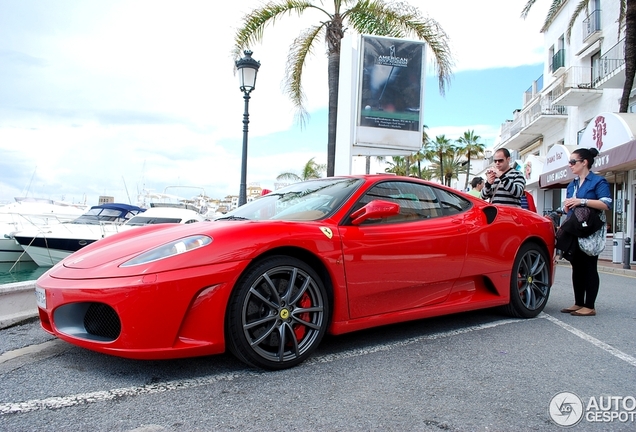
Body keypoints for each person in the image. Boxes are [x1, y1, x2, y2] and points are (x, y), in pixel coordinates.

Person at [560, 147, 612, 317]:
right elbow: (569, 208)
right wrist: (567, 206)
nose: (570, 165)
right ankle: (578, 302)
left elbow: (606, 204)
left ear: (585, 162)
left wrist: (582, 201)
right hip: (575, 227)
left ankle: (590, 305)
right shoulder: (572, 184)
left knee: (590, 265)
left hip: (590, 229)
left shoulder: (598, 181)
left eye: (573, 162)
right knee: (576, 265)